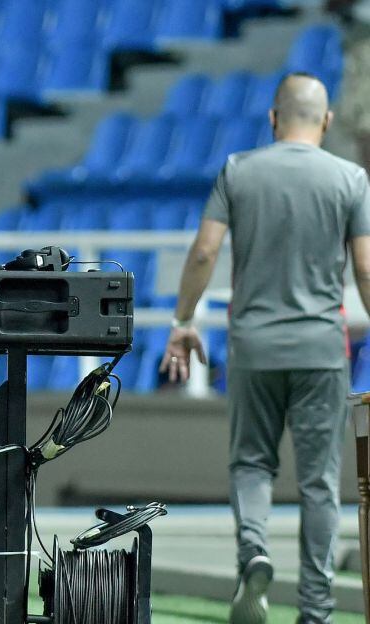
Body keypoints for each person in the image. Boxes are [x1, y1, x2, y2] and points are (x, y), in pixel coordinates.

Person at [160, 72, 370, 624]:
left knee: (252, 464)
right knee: (319, 481)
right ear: (326, 121)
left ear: (274, 119)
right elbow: (368, 268)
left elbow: (205, 253)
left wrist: (184, 319)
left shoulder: (238, 170)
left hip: (253, 346)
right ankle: (316, 609)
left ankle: (253, 551)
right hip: (323, 349)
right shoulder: (350, 178)